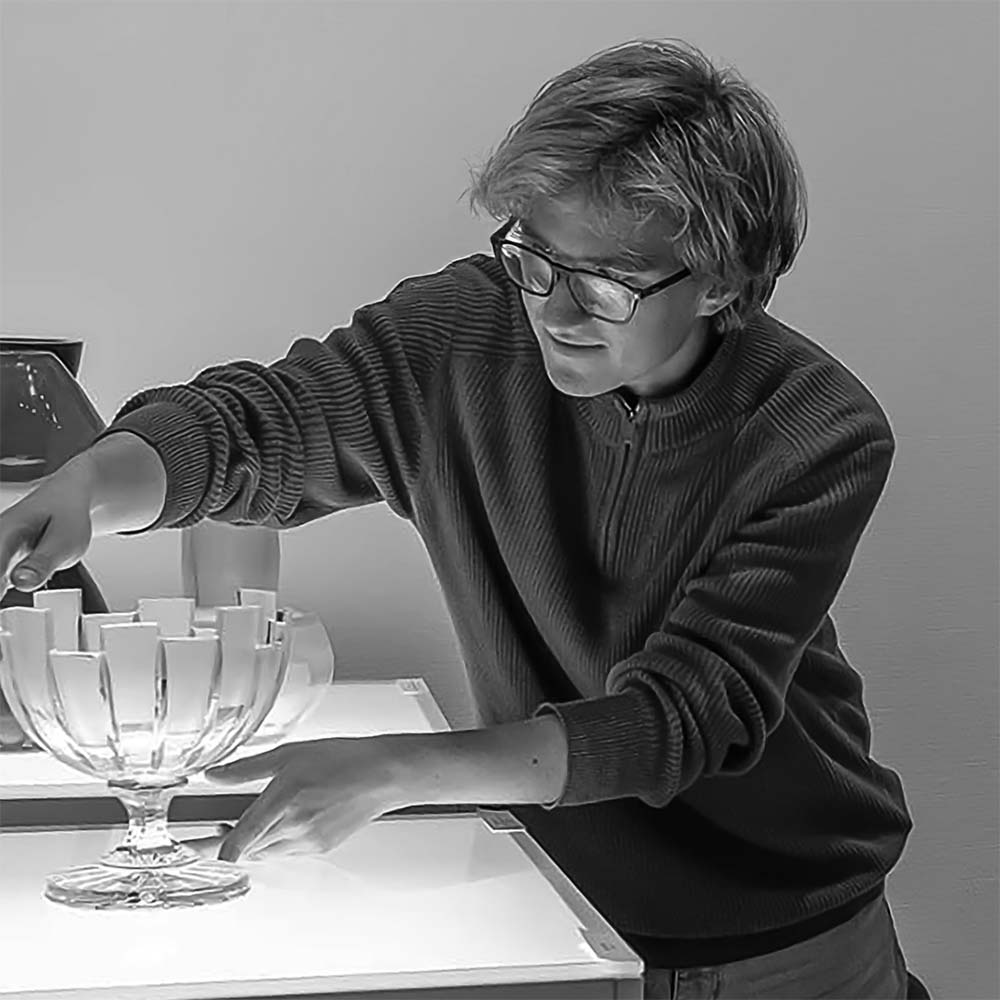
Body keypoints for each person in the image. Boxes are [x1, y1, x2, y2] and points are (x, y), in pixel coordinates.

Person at [0, 38, 916, 1000]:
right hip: (561, 904)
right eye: (534, 256)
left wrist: (398, 770)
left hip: (784, 930)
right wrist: (90, 484)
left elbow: (682, 718)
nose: (555, 310)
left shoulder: (817, 429)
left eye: (607, 281)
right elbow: (264, 424)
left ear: (723, 279)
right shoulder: (464, 331)